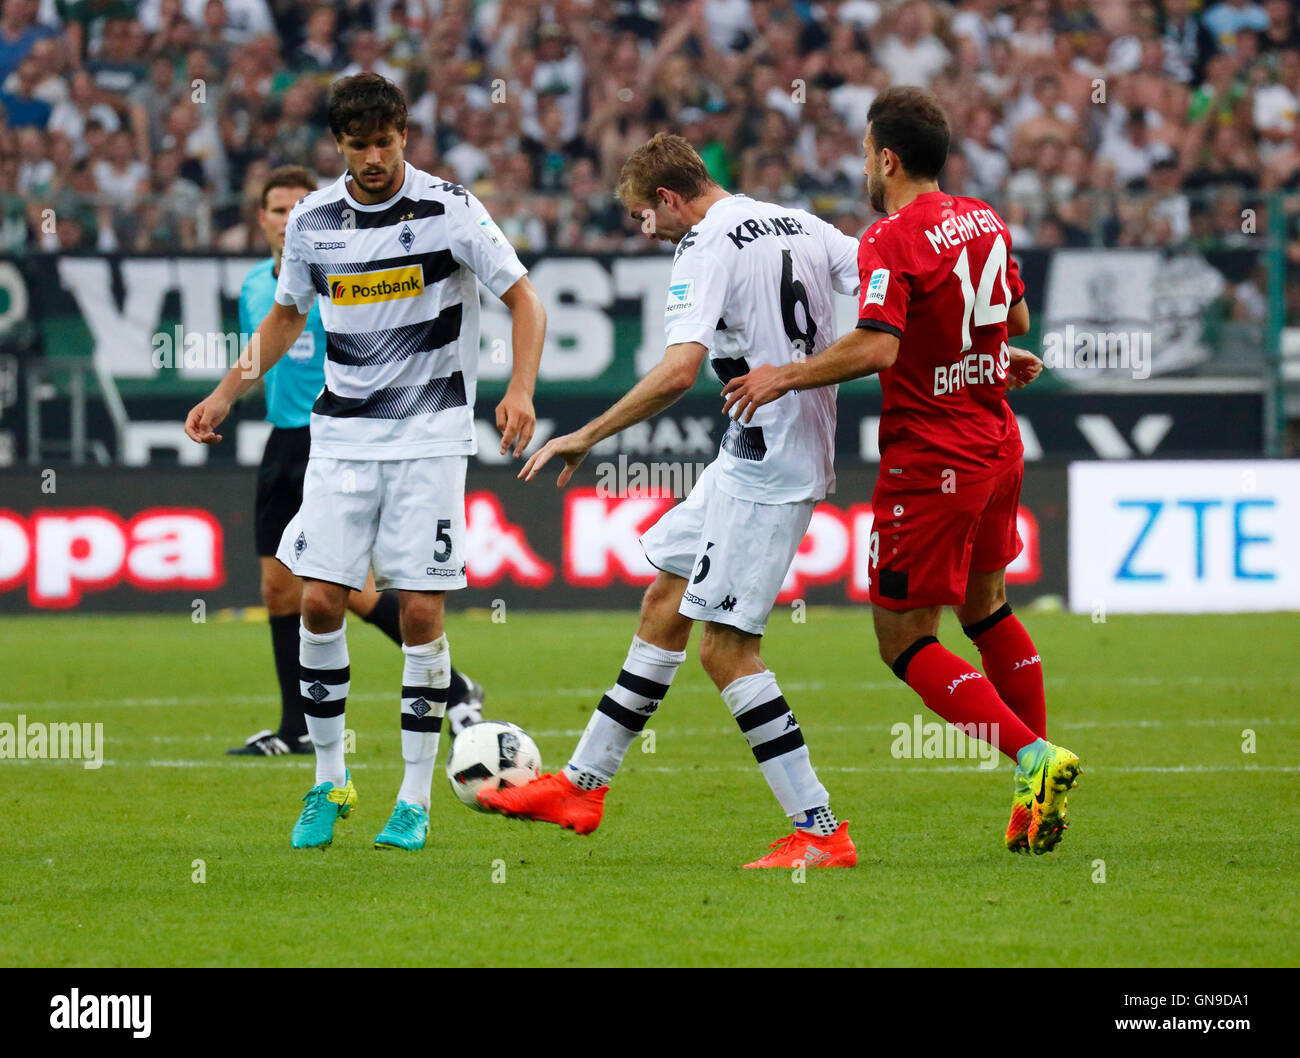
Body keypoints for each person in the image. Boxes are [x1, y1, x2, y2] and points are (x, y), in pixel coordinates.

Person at [185, 73, 546, 851]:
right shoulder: (314, 219)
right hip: (341, 439)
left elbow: (525, 298)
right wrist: (223, 396)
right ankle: (328, 781)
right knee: (318, 600)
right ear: (340, 147)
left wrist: (520, 388)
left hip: (430, 438)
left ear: (404, 137)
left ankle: (413, 799)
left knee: (419, 613)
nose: (375, 157)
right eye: (359, 146)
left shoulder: (450, 207)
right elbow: (287, 317)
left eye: (385, 142)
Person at [478, 133, 858, 870]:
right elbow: (891, 292)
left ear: (668, 200)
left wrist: (585, 434)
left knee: (725, 649)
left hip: (771, 465)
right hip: (749, 453)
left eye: (637, 218)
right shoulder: (802, 223)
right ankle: (581, 786)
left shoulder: (704, 247)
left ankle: (820, 830)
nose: (640, 232)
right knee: (664, 600)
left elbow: (680, 371)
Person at [721, 86, 1082, 855]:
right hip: (996, 440)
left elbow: (879, 345)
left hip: (933, 460)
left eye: (863, 151)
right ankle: (1034, 785)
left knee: (904, 639)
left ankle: (1033, 758)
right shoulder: (985, 217)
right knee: (986, 610)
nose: (862, 163)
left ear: (886, 157)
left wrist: (782, 375)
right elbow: (1011, 321)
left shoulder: (889, 236)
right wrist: (977, 352)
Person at [228, 163, 485, 759]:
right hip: (284, 440)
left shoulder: (340, 266)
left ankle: (450, 683)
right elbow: (264, 352)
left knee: (340, 590)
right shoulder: (252, 289)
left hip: (344, 439)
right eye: (275, 206)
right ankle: (296, 725)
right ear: (262, 217)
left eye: (297, 203)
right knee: (278, 587)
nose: (287, 216)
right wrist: (223, 397)